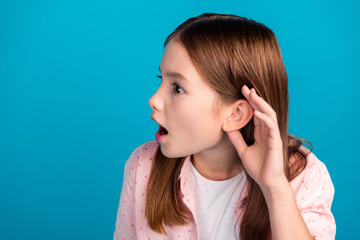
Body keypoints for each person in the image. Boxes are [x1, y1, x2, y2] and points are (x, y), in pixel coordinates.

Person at [113, 13, 336, 240]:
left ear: (235, 114)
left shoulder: (303, 175)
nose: (153, 100)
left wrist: (275, 188)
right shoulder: (143, 166)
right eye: (161, 79)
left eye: (177, 88)